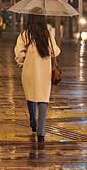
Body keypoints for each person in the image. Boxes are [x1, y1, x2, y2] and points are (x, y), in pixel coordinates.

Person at [14, 9, 60, 142]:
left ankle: (33, 122)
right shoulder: (47, 35)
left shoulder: (25, 35)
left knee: (31, 96)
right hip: (45, 73)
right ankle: (41, 131)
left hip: (29, 71)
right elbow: (55, 51)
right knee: (43, 99)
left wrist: (22, 61)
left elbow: (19, 53)